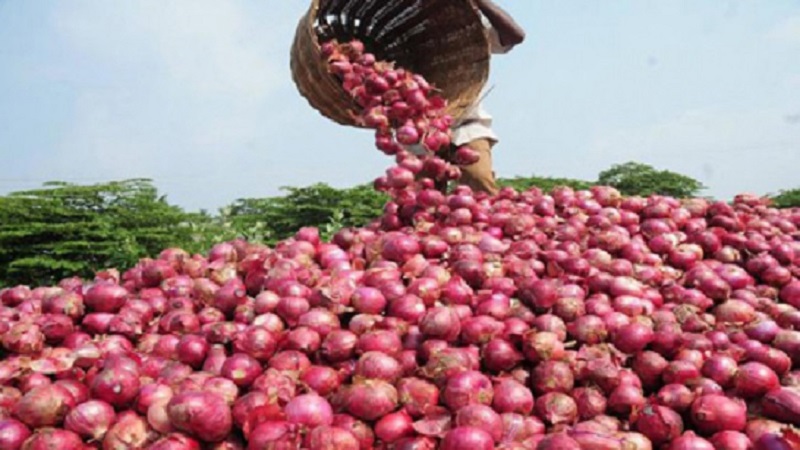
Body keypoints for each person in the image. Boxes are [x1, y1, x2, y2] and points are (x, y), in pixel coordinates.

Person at [451, 0, 525, 195]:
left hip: (466, 127)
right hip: (421, 133)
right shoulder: (405, 37)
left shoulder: (469, 30)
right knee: (418, 202)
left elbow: (515, 36)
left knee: (480, 183)